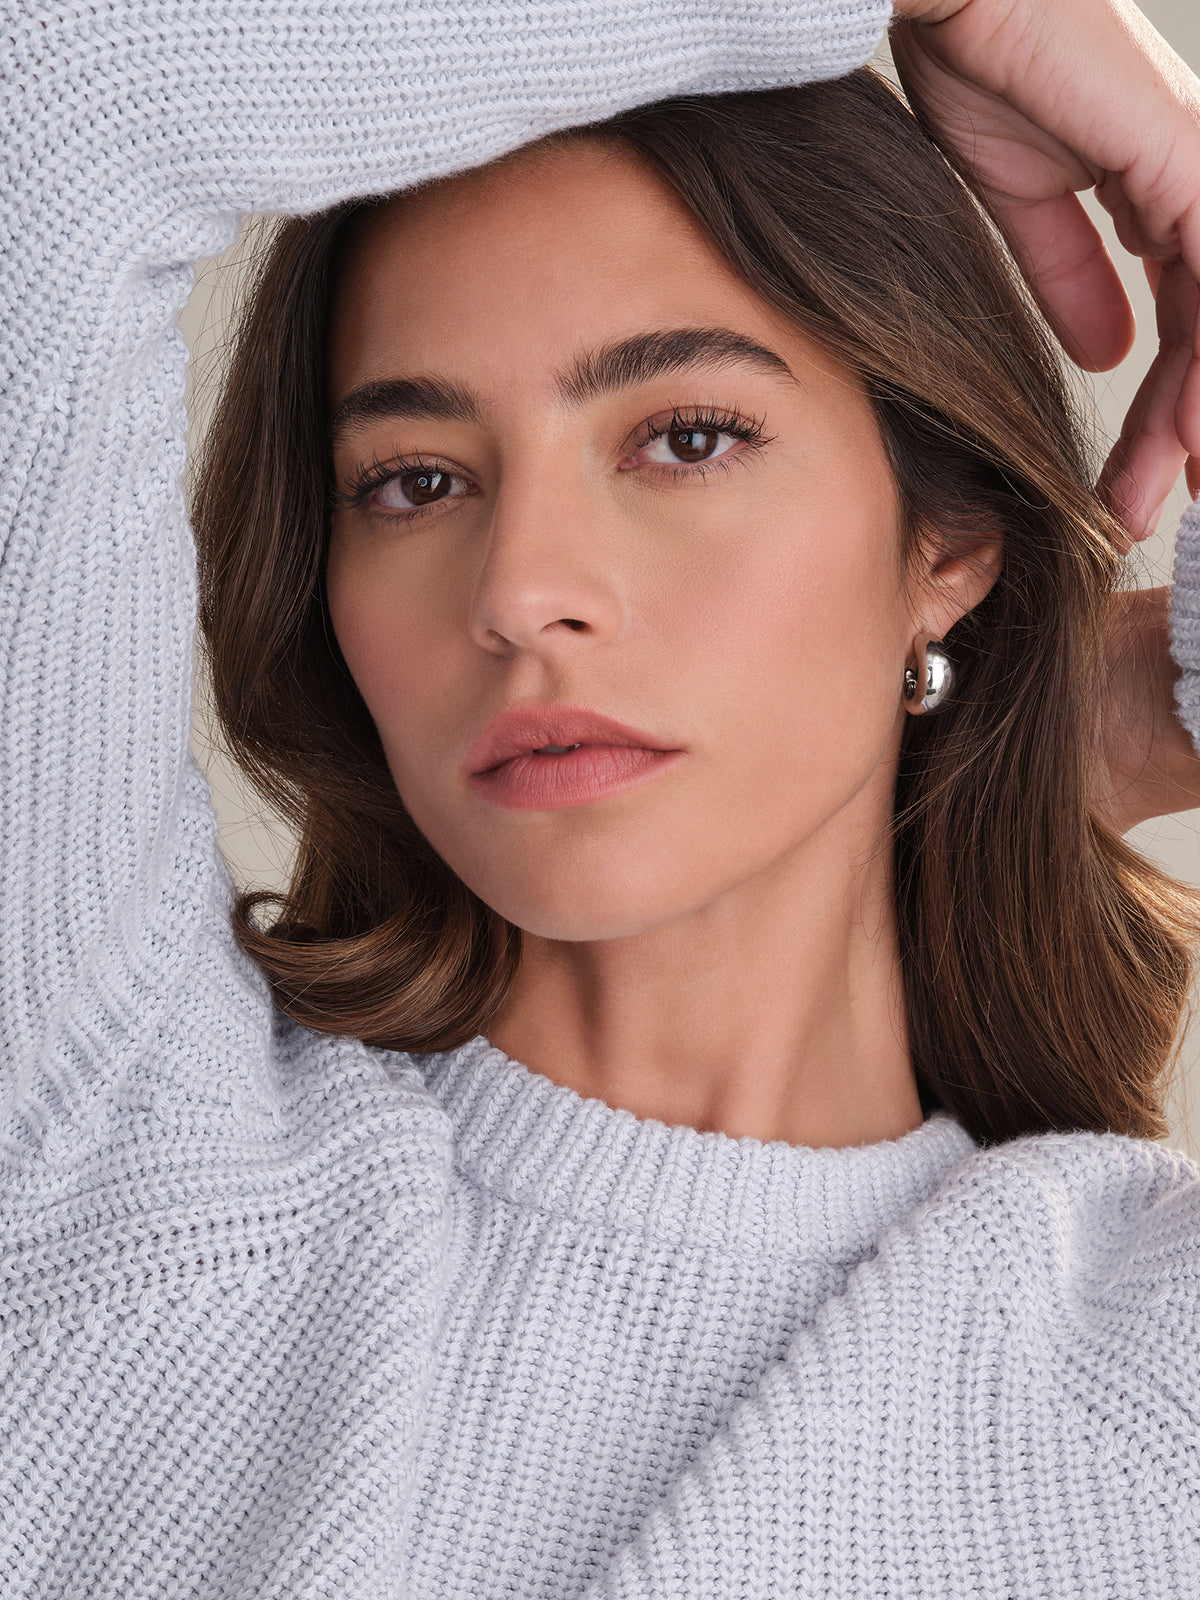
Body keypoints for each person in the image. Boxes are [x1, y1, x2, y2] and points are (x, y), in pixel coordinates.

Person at [2, 1, 1199, 1596]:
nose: (520, 591)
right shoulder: (98, 1150)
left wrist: (1112, 709)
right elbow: (54, 92)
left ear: (948, 545)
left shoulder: (1145, 1380)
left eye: (685, 438)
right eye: (416, 482)